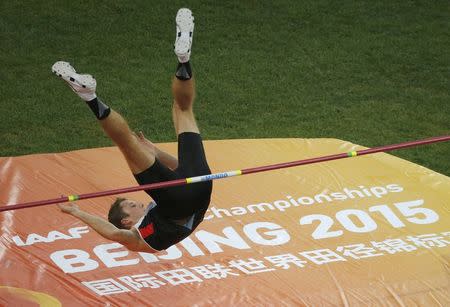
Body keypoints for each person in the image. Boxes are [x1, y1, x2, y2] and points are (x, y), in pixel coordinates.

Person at [56, 8, 212, 253]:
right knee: (128, 143)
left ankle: (183, 59)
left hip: (203, 183)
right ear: (127, 220)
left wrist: (156, 153)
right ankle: (89, 96)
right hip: (185, 199)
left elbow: (180, 171)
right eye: (130, 205)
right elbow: (113, 232)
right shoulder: (141, 237)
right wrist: (77, 212)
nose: (136, 202)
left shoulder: (154, 208)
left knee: (181, 110)